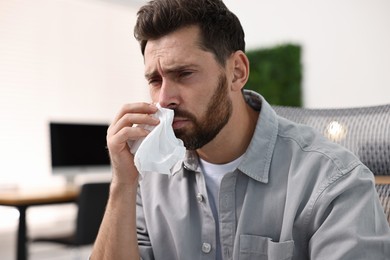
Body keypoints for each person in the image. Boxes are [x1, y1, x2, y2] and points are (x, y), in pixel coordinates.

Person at [91, 0, 390, 259]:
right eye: (155, 80)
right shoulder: (150, 176)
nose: (163, 99)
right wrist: (122, 184)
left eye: (184, 74)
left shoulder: (333, 181)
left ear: (237, 72)